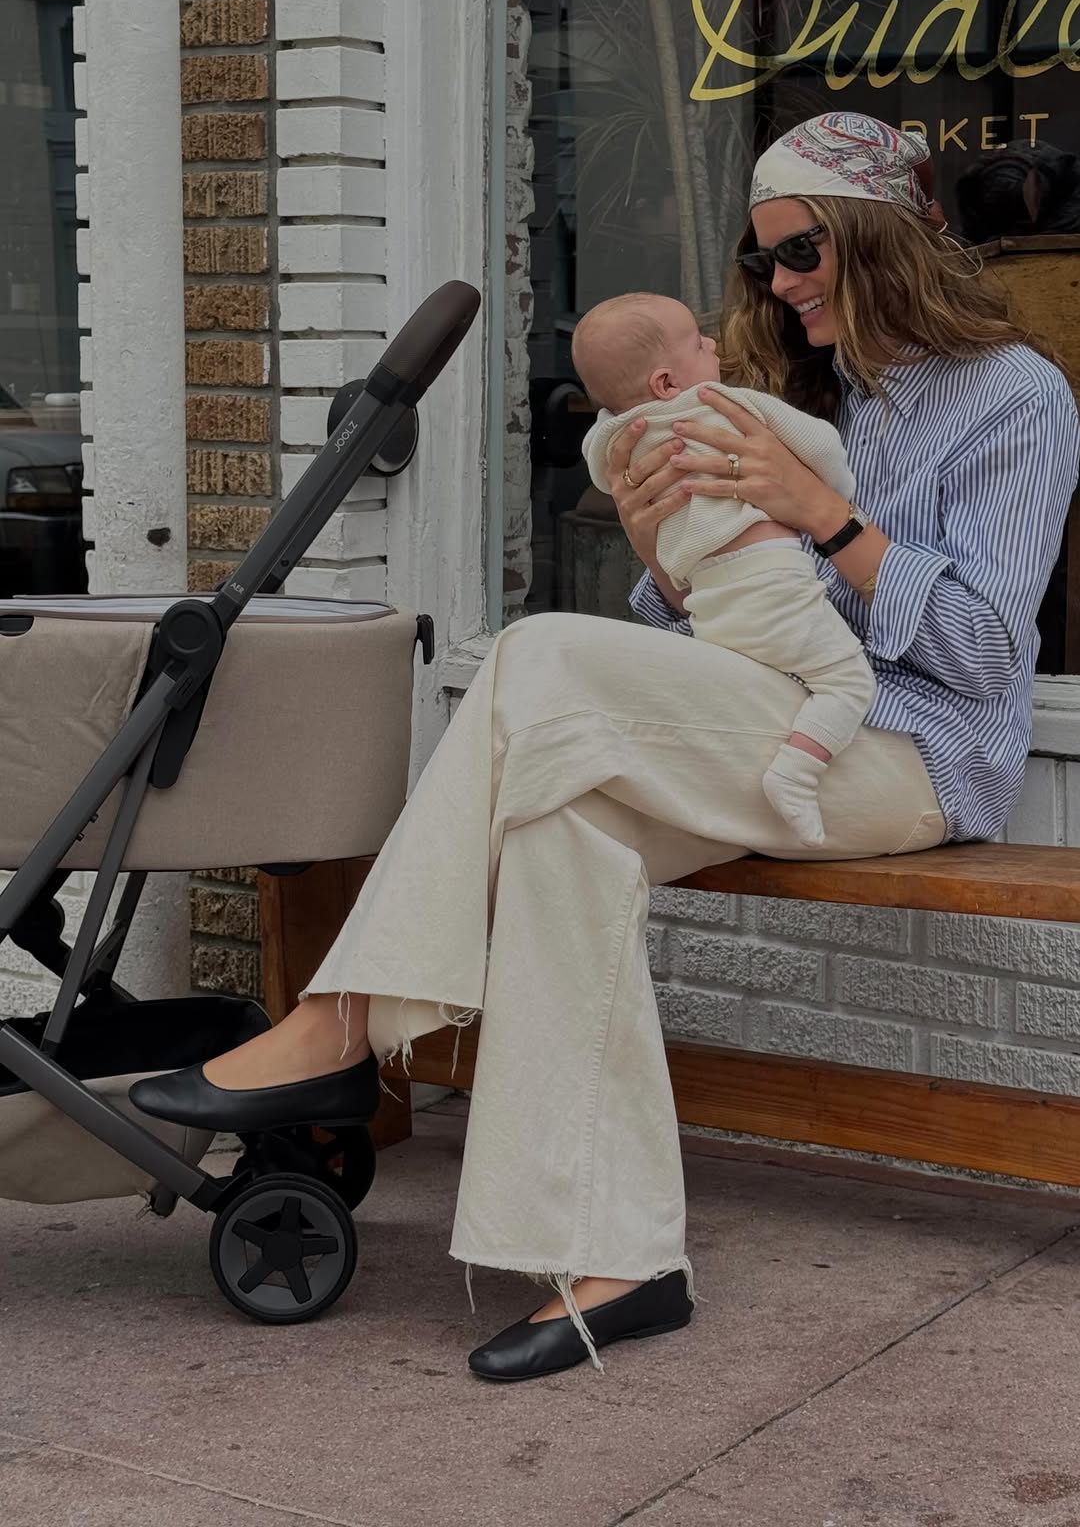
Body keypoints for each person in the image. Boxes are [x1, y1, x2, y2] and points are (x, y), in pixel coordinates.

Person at [132, 110, 1080, 1386]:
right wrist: (658, 556)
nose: (779, 285)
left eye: (801, 252)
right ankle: (617, 1261)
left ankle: (344, 1021)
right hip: (753, 719)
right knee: (560, 826)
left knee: (536, 657)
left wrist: (827, 516)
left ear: (882, 237)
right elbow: (700, 627)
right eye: (762, 261)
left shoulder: (1016, 397)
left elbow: (986, 655)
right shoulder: (800, 387)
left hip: (909, 753)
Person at [574, 292, 875, 845]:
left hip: (708, 605)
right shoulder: (723, 404)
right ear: (667, 382)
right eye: (698, 343)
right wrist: (837, 495)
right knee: (848, 682)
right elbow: (820, 443)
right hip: (771, 581)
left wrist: (619, 412)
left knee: (765, 686)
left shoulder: (616, 439)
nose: (713, 344)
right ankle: (796, 773)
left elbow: (601, 472)